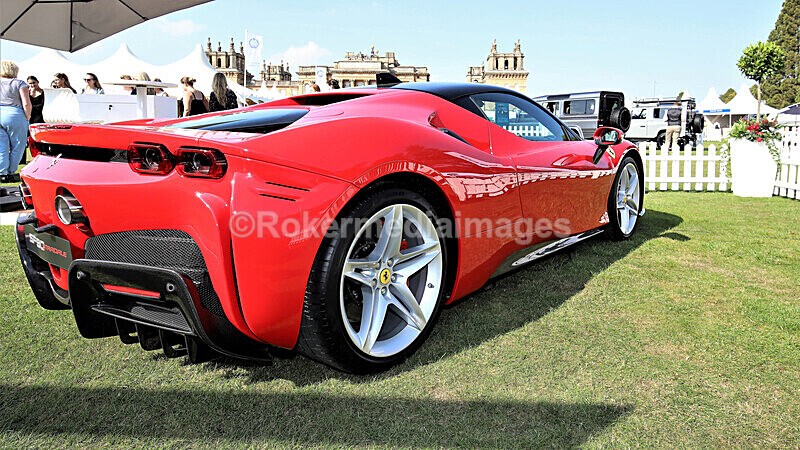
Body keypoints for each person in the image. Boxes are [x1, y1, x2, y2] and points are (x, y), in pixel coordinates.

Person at [0, 61, 32, 183]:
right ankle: (11, 171)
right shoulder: (19, 83)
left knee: (1, 146)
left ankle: (2, 172)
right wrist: (27, 116)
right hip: (14, 114)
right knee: (18, 145)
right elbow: (26, 103)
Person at [25, 75, 45, 165]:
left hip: (41, 117)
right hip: (31, 118)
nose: (32, 85)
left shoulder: (43, 93)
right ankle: (35, 156)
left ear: (37, 82)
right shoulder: (27, 94)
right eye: (30, 83)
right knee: (32, 140)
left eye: (34, 83)